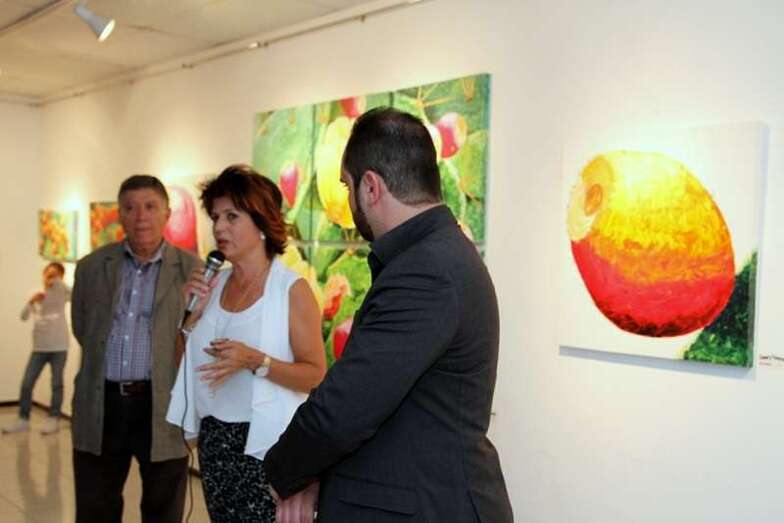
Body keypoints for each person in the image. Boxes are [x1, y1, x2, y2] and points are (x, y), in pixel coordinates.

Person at [264, 107, 514, 522]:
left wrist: (283, 473)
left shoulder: (425, 270)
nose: (348, 200)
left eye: (346, 186)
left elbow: (347, 406)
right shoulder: (439, 255)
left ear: (371, 187)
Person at [166, 164, 326, 522]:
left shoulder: (292, 290)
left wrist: (256, 360)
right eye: (215, 217)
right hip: (216, 444)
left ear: (262, 222)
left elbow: (315, 375)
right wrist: (189, 320)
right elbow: (182, 366)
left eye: (232, 216)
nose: (219, 227)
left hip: (269, 446)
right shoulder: (213, 285)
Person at [70, 175, 201, 523]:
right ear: (119, 215)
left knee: (163, 509)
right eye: (130, 208)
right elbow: (83, 329)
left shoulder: (193, 270)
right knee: (95, 507)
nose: (140, 216)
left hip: (162, 405)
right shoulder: (91, 267)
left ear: (167, 213)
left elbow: (197, 340)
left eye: (150, 206)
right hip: (102, 402)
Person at [2, 262, 70, 435]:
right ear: (43, 274)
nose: (50, 278)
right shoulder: (35, 293)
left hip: (59, 346)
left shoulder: (62, 292)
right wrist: (31, 301)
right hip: (39, 347)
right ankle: (23, 419)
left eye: (55, 275)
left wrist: (58, 282)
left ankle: (53, 419)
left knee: (56, 383)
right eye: (48, 274)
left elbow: (73, 293)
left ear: (61, 278)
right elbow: (23, 316)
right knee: (27, 383)